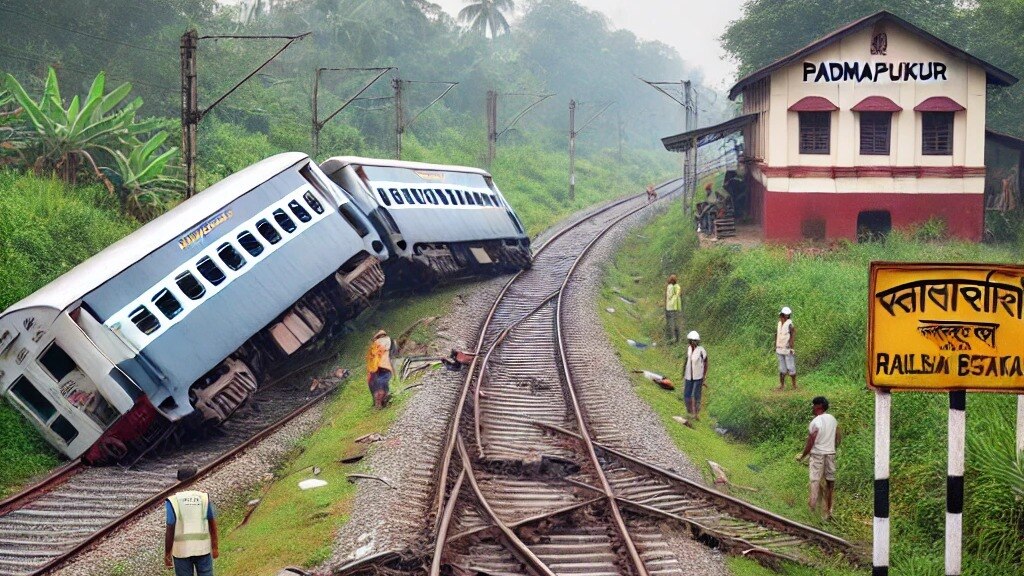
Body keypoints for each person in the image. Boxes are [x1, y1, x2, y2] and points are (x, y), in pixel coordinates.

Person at [165, 466, 218, 576]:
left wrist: (167, 553)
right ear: (196, 478)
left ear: (178, 480)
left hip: (181, 551)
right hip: (202, 548)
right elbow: (212, 521)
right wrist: (214, 546)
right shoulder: (203, 497)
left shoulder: (173, 500)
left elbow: (170, 526)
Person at [796, 396, 840, 520]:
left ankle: (812, 508)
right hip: (830, 454)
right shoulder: (832, 419)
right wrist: (832, 447)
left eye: (813, 405)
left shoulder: (815, 422)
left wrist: (803, 456)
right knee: (830, 482)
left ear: (819, 406)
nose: (812, 407)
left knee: (815, 480)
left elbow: (810, 442)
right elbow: (838, 436)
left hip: (817, 455)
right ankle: (829, 511)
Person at [681, 331, 708, 419]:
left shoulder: (701, 350)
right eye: (691, 341)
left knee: (696, 395)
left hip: (698, 376)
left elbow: (705, 362)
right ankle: (690, 412)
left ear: (697, 341)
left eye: (695, 341)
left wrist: (704, 376)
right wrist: (683, 372)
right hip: (688, 375)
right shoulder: (688, 349)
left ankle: (696, 414)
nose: (693, 342)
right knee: (686, 395)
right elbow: (686, 361)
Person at [366, 329, 394, 409]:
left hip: (376, 367)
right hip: (386, 365)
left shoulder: (375, 344)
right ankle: (384, 399)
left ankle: (378, 403)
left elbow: (370, 357)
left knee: (376, 384)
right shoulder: (390, 341)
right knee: (383, 382)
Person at [776, 306, 796, 390]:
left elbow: (792, 336)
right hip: (779, 348)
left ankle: (794, 385)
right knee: (782, 369)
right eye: (784, 315)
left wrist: (791, 348)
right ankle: (782, 385)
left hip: (787, 349)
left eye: (787, 315)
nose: (785, 316)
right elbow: (776, 335)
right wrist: (775, 346)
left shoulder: (790, 324)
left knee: (791, 368)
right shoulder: (779, 323)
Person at [665, 275, 682, 344]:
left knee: (671, 323)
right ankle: (677, 339)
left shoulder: (670, 287)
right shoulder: (676, 287)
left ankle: (673, 339)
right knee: (675, 323)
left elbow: (669, 296)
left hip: (670, 308)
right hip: (675, 308)